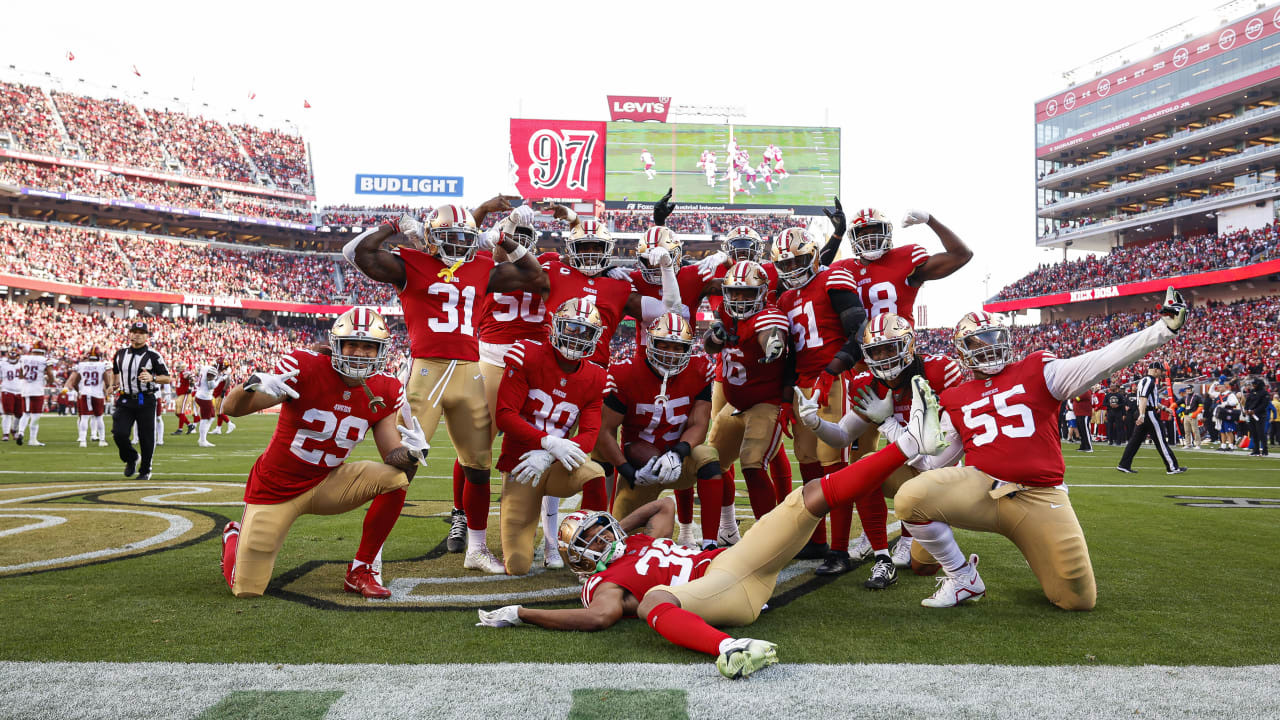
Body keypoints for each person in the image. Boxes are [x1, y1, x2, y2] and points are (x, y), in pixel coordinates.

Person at [476, 376, 949, 679]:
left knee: (805, 499)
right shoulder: (603, 583)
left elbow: (660, 507)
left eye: (600, 530)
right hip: (717, 593)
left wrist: (614, 525)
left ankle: (906, 443)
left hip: (741, 566)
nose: (602, 539)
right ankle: (730, 649)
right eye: (591, 541)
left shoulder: (634, 542)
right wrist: (525, 613)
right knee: (654, 602)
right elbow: (599, 618)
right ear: (581, 562)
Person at [893, 288, 1188, 611]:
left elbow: (1100, 361)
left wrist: (1162, 330)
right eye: (979, 342)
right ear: (963, 351)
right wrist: (899, 428)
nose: (989, 347)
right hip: (981, 486)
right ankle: (962, 577)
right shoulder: (955, 398)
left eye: (994, 338)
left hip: (1040, 496)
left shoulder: (1039, 370)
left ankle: (947, 555)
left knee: (1076, 599)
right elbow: (932, 462)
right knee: (911, 497)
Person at [345, 198, 546, 573]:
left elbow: (535, 277)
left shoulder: (481, 266)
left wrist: (503, 238)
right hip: (427, 371)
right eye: (449, 237)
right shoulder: (411, 262)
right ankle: (370, 557)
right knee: (403, 464)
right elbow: (355, 252)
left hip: (470, 373)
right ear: (430, 237)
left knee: (478, 466)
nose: (458, 244)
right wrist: (393, 224)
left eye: (464, 237)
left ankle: (476, 549)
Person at [218, 308, 427, 599]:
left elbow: (392, 455)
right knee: (246, 590)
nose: (360, 353)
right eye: (352, 344)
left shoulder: (386, 387)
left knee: (396, 478)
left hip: (327, 482)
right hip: (276, 488)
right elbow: (231, 409)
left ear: (382, 350)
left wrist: (413, 454)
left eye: (369, 346)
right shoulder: (305, 366)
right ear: (336, 344)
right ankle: (233, 536)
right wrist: (251, 387)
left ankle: (361, 569)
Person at [818, 200, 973, 569]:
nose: (870, 239)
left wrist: (932, 220)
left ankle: (909, 534)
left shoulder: (906, 258)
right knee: (860, 463)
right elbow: (814, 280)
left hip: (905, 362)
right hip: (865, 366)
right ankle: (874, 537)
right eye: (863, 234)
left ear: (888, 236)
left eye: (876, 232)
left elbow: (961, 255)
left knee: (923, 449)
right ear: (854, 240)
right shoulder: (842, 270)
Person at [798, 312, 965, 583]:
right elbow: (842, 436)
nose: (884, 357)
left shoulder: (938, 372)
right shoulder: (868, 385)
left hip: (943, 477)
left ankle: (914, 534)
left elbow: (932, 455)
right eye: (876, 351)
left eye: (890, 347)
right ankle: (882, 558)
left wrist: (885, 421)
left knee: (923, 565)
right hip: (911, 470)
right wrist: (814, 423)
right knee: (863, 467)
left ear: (908, 345)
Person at [493, 298, 610, 576]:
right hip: (522, 465)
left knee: (595, 473)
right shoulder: (527, 355)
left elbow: (590, 436)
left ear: (595, 337)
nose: (576, 337)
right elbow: (505, 415)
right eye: (570, 328)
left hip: (558, 464)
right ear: (556, 326)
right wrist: (546, 441)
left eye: (585, 332)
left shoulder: (596, 376)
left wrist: (549, 452)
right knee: (518, 566)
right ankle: (534, 544)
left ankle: (591, 543)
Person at [598, 313, 723, 549]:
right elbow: (605, 431)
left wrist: (679, 452)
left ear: (688, 348)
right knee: (621, 544)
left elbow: (699, 424)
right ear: (650, 343)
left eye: (677, 347)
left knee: (708, 457)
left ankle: (710, 544)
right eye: (663, 345)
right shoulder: (625, 373)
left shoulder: (699, 370)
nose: (669, 353)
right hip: (642, 467)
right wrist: (628, 471)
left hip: (680, 460)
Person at [106, 322, 170, 479]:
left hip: (146, 399)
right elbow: (115, 371)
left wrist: (152, 377)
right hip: (126, 399)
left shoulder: (153, 355)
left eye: (141, 332)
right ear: (129, 334)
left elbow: (167, 378)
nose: (137, 335)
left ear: (147, 336)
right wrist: (113, 385)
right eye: (134, 331)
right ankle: (132, 458)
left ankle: (145, 469)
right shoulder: (120, 354)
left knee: (146, 437)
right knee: (119, 433)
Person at [1116, 360, 1186, 474]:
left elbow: (1150, 400)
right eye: (1160, 371)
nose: (1161, 373)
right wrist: (1143, 415)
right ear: (1155, 370)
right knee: (1161, 441)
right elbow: (1144, 398)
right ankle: (1172, 467)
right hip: (1148, 414)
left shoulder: (1145, 380)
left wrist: (1164, 408)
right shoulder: (1149, 381)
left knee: (1135, 441)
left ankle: (1124, 464)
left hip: (1145, 412)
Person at [64, 346, 109, 448]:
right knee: (99, 417)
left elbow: (75, 382)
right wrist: (105, 391)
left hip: (84, 393)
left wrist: (79, 391)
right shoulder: (102, 365)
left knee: (84, 418)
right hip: (97, 394)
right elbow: (107, 382)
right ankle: (101, 440)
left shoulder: (82, 365)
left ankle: (83, 441)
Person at [14, 341, 55, 446]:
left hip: (25, 389)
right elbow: (50, 375)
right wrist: (48, 381)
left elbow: (21, 375)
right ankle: (32, 440)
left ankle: (21, 432)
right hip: (37, 390)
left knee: (25, 414)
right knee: (35, 416)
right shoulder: (45, 360)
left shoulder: (24, 358)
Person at [1, 346, 24, 441]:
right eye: (11, 354)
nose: (13, 357)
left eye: (15, 355)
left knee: (19, 414)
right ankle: (5, 433)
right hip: (7, 389)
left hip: (20, 391)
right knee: (7, 413)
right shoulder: (2, 363)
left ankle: (14, 430)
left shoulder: (23, 364)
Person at [1244, 377, 1271, 456]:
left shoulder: (1265, 393)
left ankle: (1265, 450)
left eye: (1255, 384)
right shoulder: (1252, 392)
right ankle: (1255, 450)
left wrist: (1255, 411)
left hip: (1260, 415)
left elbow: (1264, 405)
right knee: (1254, 433)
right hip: (1251, 414)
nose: (1253, 386)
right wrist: (1246, 409)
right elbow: (1248, 401)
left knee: (1261, 433)